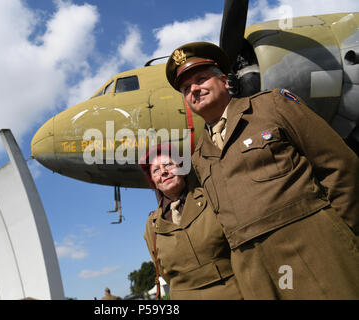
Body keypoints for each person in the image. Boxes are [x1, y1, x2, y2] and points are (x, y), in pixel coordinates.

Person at [165, 41, 359, 299]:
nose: (194, 90)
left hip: (316, 249)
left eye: (201, 79)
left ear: (224, 81)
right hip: (256, 276)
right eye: (186, 89)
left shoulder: (272, 105)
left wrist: (341, 231)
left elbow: (338, 165)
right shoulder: (199, 155)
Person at [140, 143, 243, 300]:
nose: (164, 172)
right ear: (153, 181)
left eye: (168, 164)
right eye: (156, 170)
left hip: (231, 291)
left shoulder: (211, 196)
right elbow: (163, 271)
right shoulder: (152, 226)